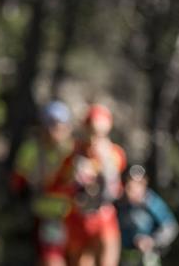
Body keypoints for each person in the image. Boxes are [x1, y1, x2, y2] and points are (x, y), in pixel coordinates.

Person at [51, 104, 127, 266]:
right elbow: (58, 185)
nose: (95, 137)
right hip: (78, 219)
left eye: (100, 132)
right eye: (92, 131)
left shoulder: (115, 154)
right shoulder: (74, 155)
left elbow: (116, 189)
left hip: (104, 218)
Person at [11, 100, 76, 265]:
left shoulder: (74, 149)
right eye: (51, 124)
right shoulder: (32, 149)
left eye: (60, 124)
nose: (55, 130)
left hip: (76, 216)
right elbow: (17, 182)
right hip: (47, 216)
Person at [115, 165, 177, 264]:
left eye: (138, 184)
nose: (133, 189)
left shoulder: (152, 202)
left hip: (148, 255)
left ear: (145, 184)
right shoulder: (119, 204)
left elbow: (170, 226)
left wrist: (152, 241)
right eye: (130, 185)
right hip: (125, 256)